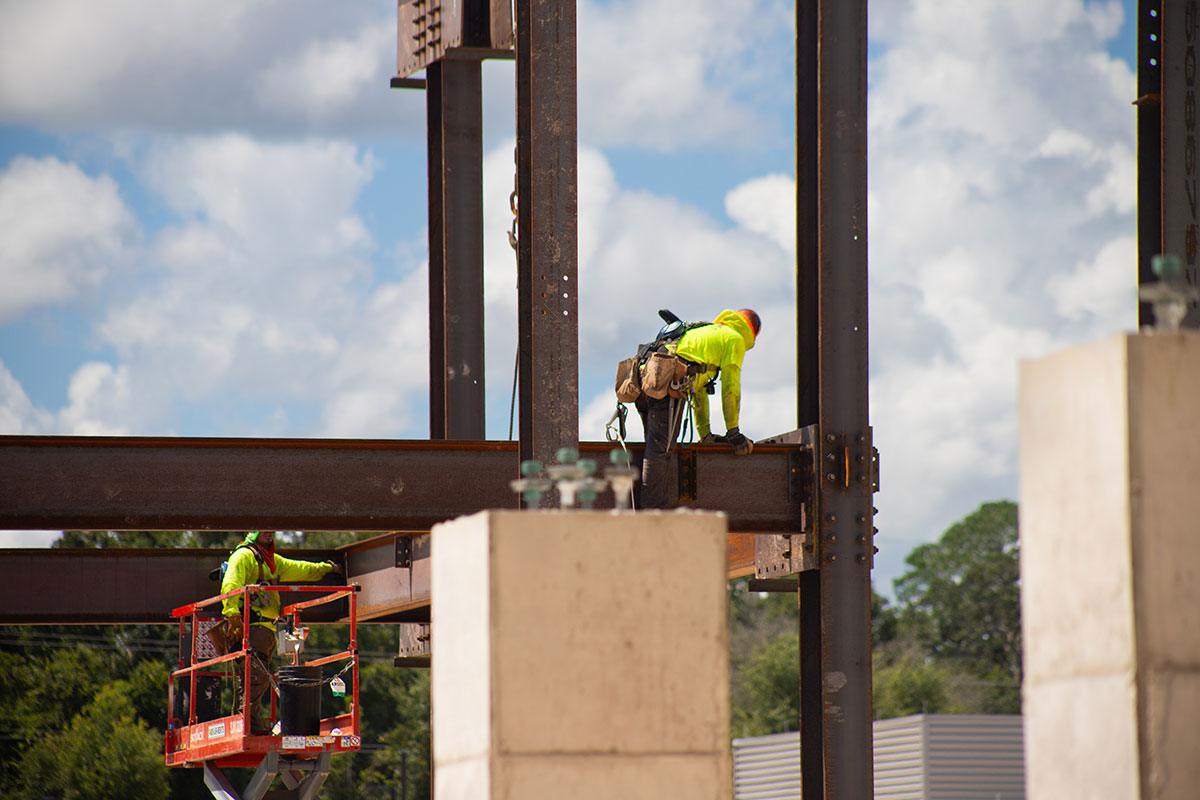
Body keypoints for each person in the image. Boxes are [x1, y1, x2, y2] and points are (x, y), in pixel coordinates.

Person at [635, 308, 760, 508]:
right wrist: (734, 432)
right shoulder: (733, 338)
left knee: (654, 447)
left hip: (645, 378)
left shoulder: (709, 332)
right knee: (660, 452)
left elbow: (698, 389)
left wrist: (706, 434)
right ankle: (652, 516)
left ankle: (643, 506)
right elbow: (730, 388)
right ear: (751, 334)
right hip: (667, 383)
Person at [220, 530, 341, 734]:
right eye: (264, 529)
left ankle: (247, 724)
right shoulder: (243, 556)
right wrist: (232, 614)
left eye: (272, 529)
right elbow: (231, 584)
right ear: (253, 532)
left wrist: (326, 568)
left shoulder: (271, 562)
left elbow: (301, 569)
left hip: (265, 629)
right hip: (253, 627)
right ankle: (247, 727)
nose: (270, 532)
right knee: (256, 677)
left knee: (258, 678)